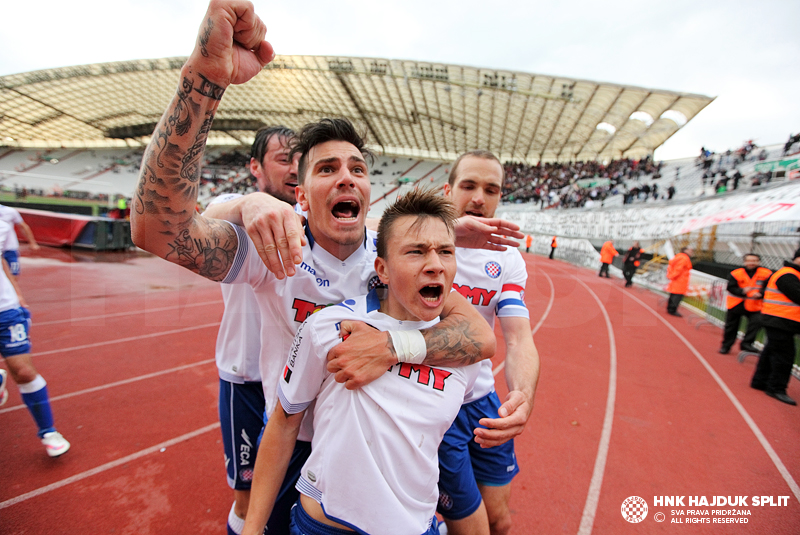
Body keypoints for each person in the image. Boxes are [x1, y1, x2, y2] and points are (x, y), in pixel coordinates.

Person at [129, 6, 501, 528]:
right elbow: (155, 230)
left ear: (370, 190)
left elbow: (479, 338)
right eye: (327, 169)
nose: (346, 178)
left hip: (371, 444)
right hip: (288, 433)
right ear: (301, 194)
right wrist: (204, 81)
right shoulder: (272, 249)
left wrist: (392, 347)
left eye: (358, 169)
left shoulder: (392, 257)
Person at [243, 189, 478, 535]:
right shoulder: (329, 327)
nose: (435, 264)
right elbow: (283, 423)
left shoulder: (462, 350)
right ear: (381, 269)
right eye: (416, 252)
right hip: (324, 527)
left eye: (446, 252)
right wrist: (252, 530)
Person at [441, 150, 540, 535]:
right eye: (468, 185)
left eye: (491, 189)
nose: (479, 198)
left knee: (499, 522)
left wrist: (523, 397)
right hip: (434, 400)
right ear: (448, 190)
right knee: (472, 528)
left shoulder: (509, 260)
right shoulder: (416, 238)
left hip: (481, 400)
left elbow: (518, 339)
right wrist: (446, 231)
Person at [205, 125, 297, 534]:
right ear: (255, 167)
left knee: (295, 498)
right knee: (247, 499)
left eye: (301, 159)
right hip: (246, 379)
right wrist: (254, 201)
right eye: (284, 159)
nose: (295, 168)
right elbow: (204, 215)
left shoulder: (314, 218)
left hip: (294, 389)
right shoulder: (236, 209)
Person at [0, 220, 69, 456]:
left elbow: (2, 261)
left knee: (25, 372)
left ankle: (49, 432)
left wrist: (18, 296)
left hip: (5, 311)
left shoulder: (2, 224)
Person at [750, 248, 800, 406]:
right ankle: (776, 388)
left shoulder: (789, 273)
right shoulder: (788, 275)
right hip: (781, 321)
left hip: (780, 321)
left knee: (771, 351)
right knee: (785, 357)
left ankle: (760, 381)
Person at [719, 254, 772, 355]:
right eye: (749, 260)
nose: (751, 263)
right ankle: (726, 345)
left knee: (757, 322)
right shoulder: (736, 273)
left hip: (755, 304)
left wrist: (761, 294)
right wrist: (742, 291)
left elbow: (770, 288)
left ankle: (747, 343)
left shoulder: (766, 274)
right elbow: (730, 287)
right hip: (737, 303)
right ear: (744, 262)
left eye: (754, 261)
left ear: (759, 262)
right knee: (731, 326)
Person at [0, 203, 40, 277]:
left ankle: (12, 288)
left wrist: (32, 243)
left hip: (9, 249)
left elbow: (23, 226)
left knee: (13, 274)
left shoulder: (10, 211)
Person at [666, 246, 694, 317]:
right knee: (677, 296)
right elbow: (678, 269)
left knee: (673, 295)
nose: (692, 252)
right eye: (690, 250)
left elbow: (672, 266)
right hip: (680, 280)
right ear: (686, 250)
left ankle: (670, 308)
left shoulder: (679, 256)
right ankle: (672, 310)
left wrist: (671, 276)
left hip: (677, 280)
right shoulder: (684, 258)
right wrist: (672, 276)